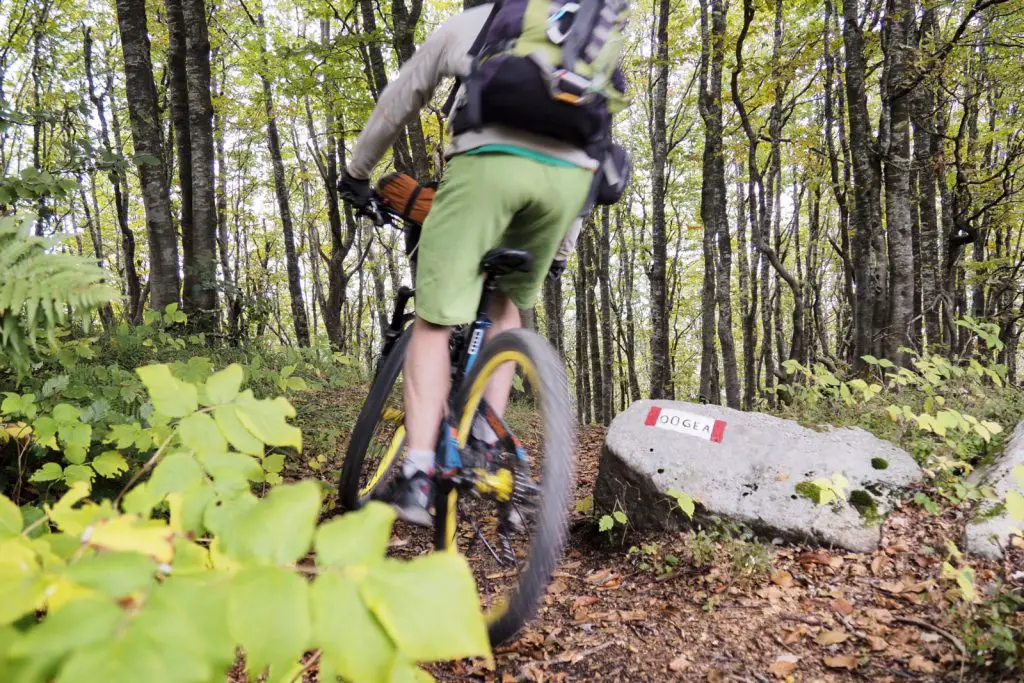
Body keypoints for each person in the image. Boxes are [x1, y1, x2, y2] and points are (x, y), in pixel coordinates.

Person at [339, 2, 620, 525]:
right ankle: (490, 443)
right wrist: (560, 250)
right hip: (566, 187)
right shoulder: (591, 35)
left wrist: (357, 173)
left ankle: (419, 471)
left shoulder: (481, 22)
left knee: (433, 321)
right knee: (507, 304)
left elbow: (399, 99)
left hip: (489, 169)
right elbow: (596, 144)